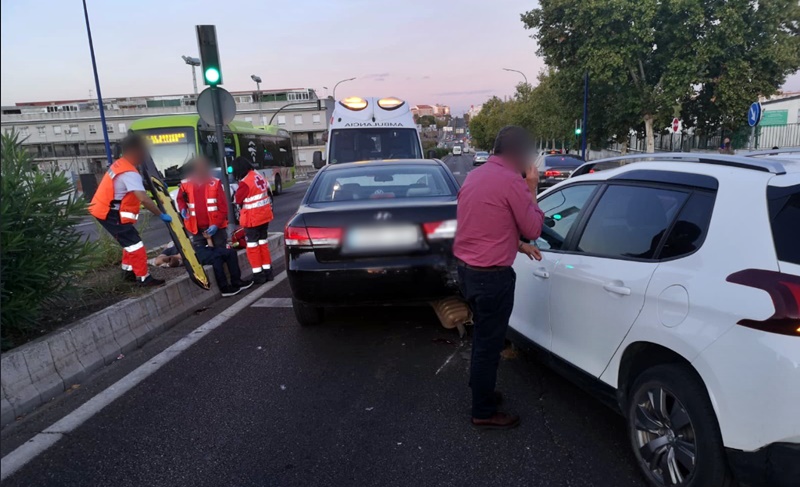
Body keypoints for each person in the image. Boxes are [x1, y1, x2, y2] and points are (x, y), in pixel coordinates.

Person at [454, 126, 545, 430]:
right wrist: (532, 186)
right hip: (492, 278)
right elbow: (533, 227)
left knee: (483, 337)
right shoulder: (512, 181)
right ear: (518, 154)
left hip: (468, 273)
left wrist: (518, 245)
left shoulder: (475, 176)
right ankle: (482, 410)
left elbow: (483, 225)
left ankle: (483, 391)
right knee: (489, 345)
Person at [89, 134, 172, 286]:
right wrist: (161, 214)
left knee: (129, 243)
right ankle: (143, 278)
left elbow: (133, 186)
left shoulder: (121, 164)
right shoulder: (129, 172)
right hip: (109, 213)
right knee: (136, 244)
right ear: (135, 151)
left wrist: (154, 187)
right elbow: (144, 199)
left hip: (105, 209)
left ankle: (127, 272)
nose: (146, 154)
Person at [177, 157, 252, 296]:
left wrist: (216, 225)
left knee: (223, 254)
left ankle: (234, 282)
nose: (201, 171)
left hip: (216, 229)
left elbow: (223, 208)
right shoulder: (186, 184)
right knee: (213, 257)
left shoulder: (215, 184)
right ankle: (226, 286)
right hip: (196, 229)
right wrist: (182, 208)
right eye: (199, 169)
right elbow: (180, 199)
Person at [232, 157, 275, 284]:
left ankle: (258, 275)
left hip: (253, 219)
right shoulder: (258, 176)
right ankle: (268, 272)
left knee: (252, 246)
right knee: (263, 244)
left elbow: (237, 199)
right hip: (264, 216)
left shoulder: (245, 182)